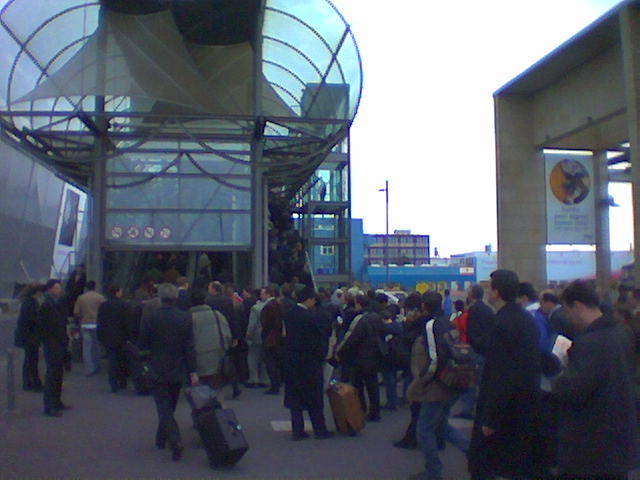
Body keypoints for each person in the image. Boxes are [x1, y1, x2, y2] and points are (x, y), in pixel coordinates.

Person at [551, 280, 639, 480]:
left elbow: (573, 389)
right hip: (619, 441)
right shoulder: (622, 333)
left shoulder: (590, 343)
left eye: (567, 310)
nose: (568, 317)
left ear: (578, 306)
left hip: (591, 446)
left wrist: (559, 376)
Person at [468, 270, 542, 480]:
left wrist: (491, 418)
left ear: (496, 291)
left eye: (489, 287)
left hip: (503, 410)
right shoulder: (524, 318)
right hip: (524, 406)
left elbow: (500, 375)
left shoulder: (502, 323)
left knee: (489, 466)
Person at [407, 291, 470, 480]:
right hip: (453, 379)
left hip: (437, 383)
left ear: (424, 307)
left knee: (424, 429)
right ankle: (473, 452)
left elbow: (435, 357)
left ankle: (433, 471)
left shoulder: (430, 325)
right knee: (441, 425)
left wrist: (424, 379)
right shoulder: (447, 322)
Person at [137, 283, 199, 462]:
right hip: (178, 368)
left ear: (159, 297)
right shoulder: (185, 318)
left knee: (163, 407)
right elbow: (189, 347)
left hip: (157, 366)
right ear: (176, 298)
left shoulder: (151, 317)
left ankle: (174, 440)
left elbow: (142, 344)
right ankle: (161, 439)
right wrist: (193, 371)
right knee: (170, 405)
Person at [282, 286, 333, 440]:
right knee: (315, 399)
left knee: (295, 399)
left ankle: (297, 431)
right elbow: (317, 341)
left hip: (292, 361)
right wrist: (322, 356)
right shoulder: (311, 318)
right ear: (309, 300)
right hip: (310, 364)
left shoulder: (289, 315)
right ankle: (320, 429)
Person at [335, 294, 385, 422]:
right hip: (375, 355)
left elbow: (351, 338)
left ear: (359, 304)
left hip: (360, 356)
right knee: (372, 385)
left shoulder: (360, 319)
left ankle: (361, 410)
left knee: (358, 385)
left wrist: (339, 351)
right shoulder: (377, 317)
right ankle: (375, 412)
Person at [189, 289, 232, 404]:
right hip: (218, 356)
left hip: (198, 358)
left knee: (201, 389)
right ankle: (220, 414)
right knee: (217, 388)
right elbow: (227, 335)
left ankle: (205, 415)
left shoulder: (189, 318)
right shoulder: (217, 315)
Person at [39, 279, 71, 417]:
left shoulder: (57, 303)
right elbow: (49, 326)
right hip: (52, 344)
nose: (59, 290)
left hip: (59, 343)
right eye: (57, 288)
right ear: (50, 289)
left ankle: (57, 401)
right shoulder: (47, 305)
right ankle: (50, 405)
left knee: (58, 374)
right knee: (52, 374)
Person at [97, 285, 131, 393]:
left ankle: (113, 384)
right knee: (122, 359)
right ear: (117, 292)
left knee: (112, 360)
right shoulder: (124, 305)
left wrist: (100, 336)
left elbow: (100, 321)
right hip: (121, 336)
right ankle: (122, 381)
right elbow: (127, 322)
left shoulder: (104, 305)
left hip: (108, 336)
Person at [14, 283, 43, 392]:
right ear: (36, 292)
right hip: (30, 336)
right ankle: (35, 383)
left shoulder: (26, 301)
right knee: (32, 360)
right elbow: (31, 319)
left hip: (26, 335)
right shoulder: (31, 303)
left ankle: (28, 383)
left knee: (28, 360)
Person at [74, 280, 105, 376]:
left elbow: (76, 312)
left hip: (85, 323)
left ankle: (89, 368)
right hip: (96, 323)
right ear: (95, 287)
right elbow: (105, 311)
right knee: (96, 345)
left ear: (86, 288)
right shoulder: (100, 298)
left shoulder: (81, 298)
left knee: (87, 346)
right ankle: (97, 365)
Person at [260, 285, 284, 395]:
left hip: (270, 338)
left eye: (262, 293)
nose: (261, 296)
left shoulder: (269, 307)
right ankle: (277, 383)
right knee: (276, 361)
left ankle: (274, 386)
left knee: (270, 362)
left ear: (268, 294)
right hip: (278, 338)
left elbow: (266, 324)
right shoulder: (278, 304)